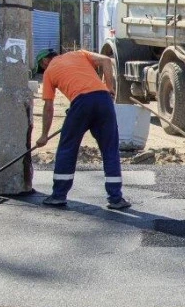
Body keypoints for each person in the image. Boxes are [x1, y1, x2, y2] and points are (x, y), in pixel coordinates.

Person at [36, 50, 131, 210]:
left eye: (42, 66)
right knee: (110, 149)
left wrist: (44, 135)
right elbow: (106, 60)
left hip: (80, 103)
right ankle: (116, 198)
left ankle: (58, 195)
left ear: (46, 60)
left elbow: (48, 107)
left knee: (67, 148)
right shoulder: (78, 54)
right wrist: (110, 88)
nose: (44, 68)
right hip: (103, 101)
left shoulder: (50, 71)